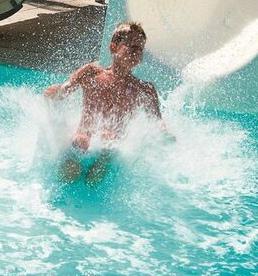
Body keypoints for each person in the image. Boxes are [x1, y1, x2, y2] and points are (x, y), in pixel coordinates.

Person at [44, 21, 170, 186]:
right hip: (83, 140)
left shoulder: (144, 89)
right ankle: (66, 183)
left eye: (140, 48)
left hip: (111, 148)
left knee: (107, 139)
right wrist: (55, 93)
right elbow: (64, 91)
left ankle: (95, 176)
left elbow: (156, 120)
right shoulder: (91, 72)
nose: (136, 51)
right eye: (131, 45)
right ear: (113, 47)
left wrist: (164, 132)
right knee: (80, 141)